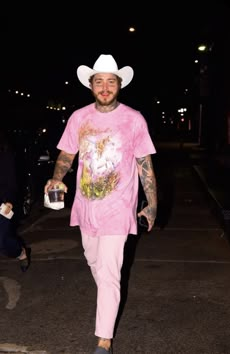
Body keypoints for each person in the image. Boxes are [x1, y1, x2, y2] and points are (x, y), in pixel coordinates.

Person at [44, 54, 157, 354]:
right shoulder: (79, 118)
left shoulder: (134, 119)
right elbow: (67, 155)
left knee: (108, 273)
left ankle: (103, 342)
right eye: (99, 82)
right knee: (94, 261)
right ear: (91, 85)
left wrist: (152, 203)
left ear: (119, 84)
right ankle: (109, 296)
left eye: (110, 81)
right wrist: (57, 178)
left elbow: (145, 163)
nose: (105, 87)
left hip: (119, 209)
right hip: (85, 207)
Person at [0, 129, 31, 272]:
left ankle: (19, 251)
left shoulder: (5, 154)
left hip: (2, 203)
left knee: (3, 242)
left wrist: (10, 200)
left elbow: (11, 181)